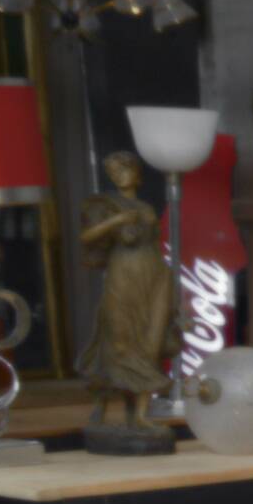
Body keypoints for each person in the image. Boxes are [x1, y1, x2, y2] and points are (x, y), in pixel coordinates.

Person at [77, 150, 180, 440]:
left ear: (137, 173)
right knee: (119, 340)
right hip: (123, 273)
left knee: (151, 340)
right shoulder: (106, 206)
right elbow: (86, 237)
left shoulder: (147, 205)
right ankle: (104, 404)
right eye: (114, 172)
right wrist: (117, 220)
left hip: (153, 273)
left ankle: (141, 416)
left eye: (125, 170)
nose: (120, 176)